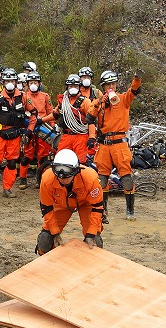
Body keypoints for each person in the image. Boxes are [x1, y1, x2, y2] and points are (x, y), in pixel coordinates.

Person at [84, 70, 142, 220]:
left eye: (113, 84)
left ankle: (130, 211)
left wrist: (137, 79)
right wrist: (101, 102)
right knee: (102, 178)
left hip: (119, 143)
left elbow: (133, 91)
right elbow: (89, 118)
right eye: (108, 84)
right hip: (104, 144)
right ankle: (103, 210)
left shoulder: (123, 99)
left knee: (126, 177)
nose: (111, 87)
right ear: (103, 87)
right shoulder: (99, 102)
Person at [36, 149, 105, 255]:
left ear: (76, 170)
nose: (62, 177)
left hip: (86, 203)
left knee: (95, 241)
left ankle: (89, 266)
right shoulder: (47, 179)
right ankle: (45, 263)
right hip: (61, 203)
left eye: (66, 171)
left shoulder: (90, 179)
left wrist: (90, 234)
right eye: (58, 170)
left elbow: (97, 207)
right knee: (45, 240)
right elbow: (46, 208)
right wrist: (55, 233)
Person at [0, 68, 28, 197]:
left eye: (12, 80)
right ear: (3, 82)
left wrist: (29, 128)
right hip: (0, 133)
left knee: (11, 162)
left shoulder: (22, 96)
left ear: (16, 82)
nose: (10, 83)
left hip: (15, 134)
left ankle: (7, 188)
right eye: (7, 80)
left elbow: (32, 112)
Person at [20, 71, 56, 188]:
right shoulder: (23, 96)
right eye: (31, 82)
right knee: (27, 155)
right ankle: (23, 179)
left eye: (35, 82)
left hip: (43, 127)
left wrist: (52, 125)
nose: (33, 84)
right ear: (28, 83)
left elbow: (50, 111)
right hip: (29, 126)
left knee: (43, 155)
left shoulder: (45, 96)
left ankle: (40, 178)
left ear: (39, 83)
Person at [55, 74, 92, 163]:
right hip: (67, 135)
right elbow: (55, 114)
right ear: (67, 87)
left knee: (80, 162)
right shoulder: (64, 101)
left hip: (81, 136)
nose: (73, 88)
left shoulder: (85, 102)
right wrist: (41, 120)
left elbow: (91, 120)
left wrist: (92, 137)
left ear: (79, 87)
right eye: (71, 86)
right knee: (61, 160)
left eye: (75, 86)